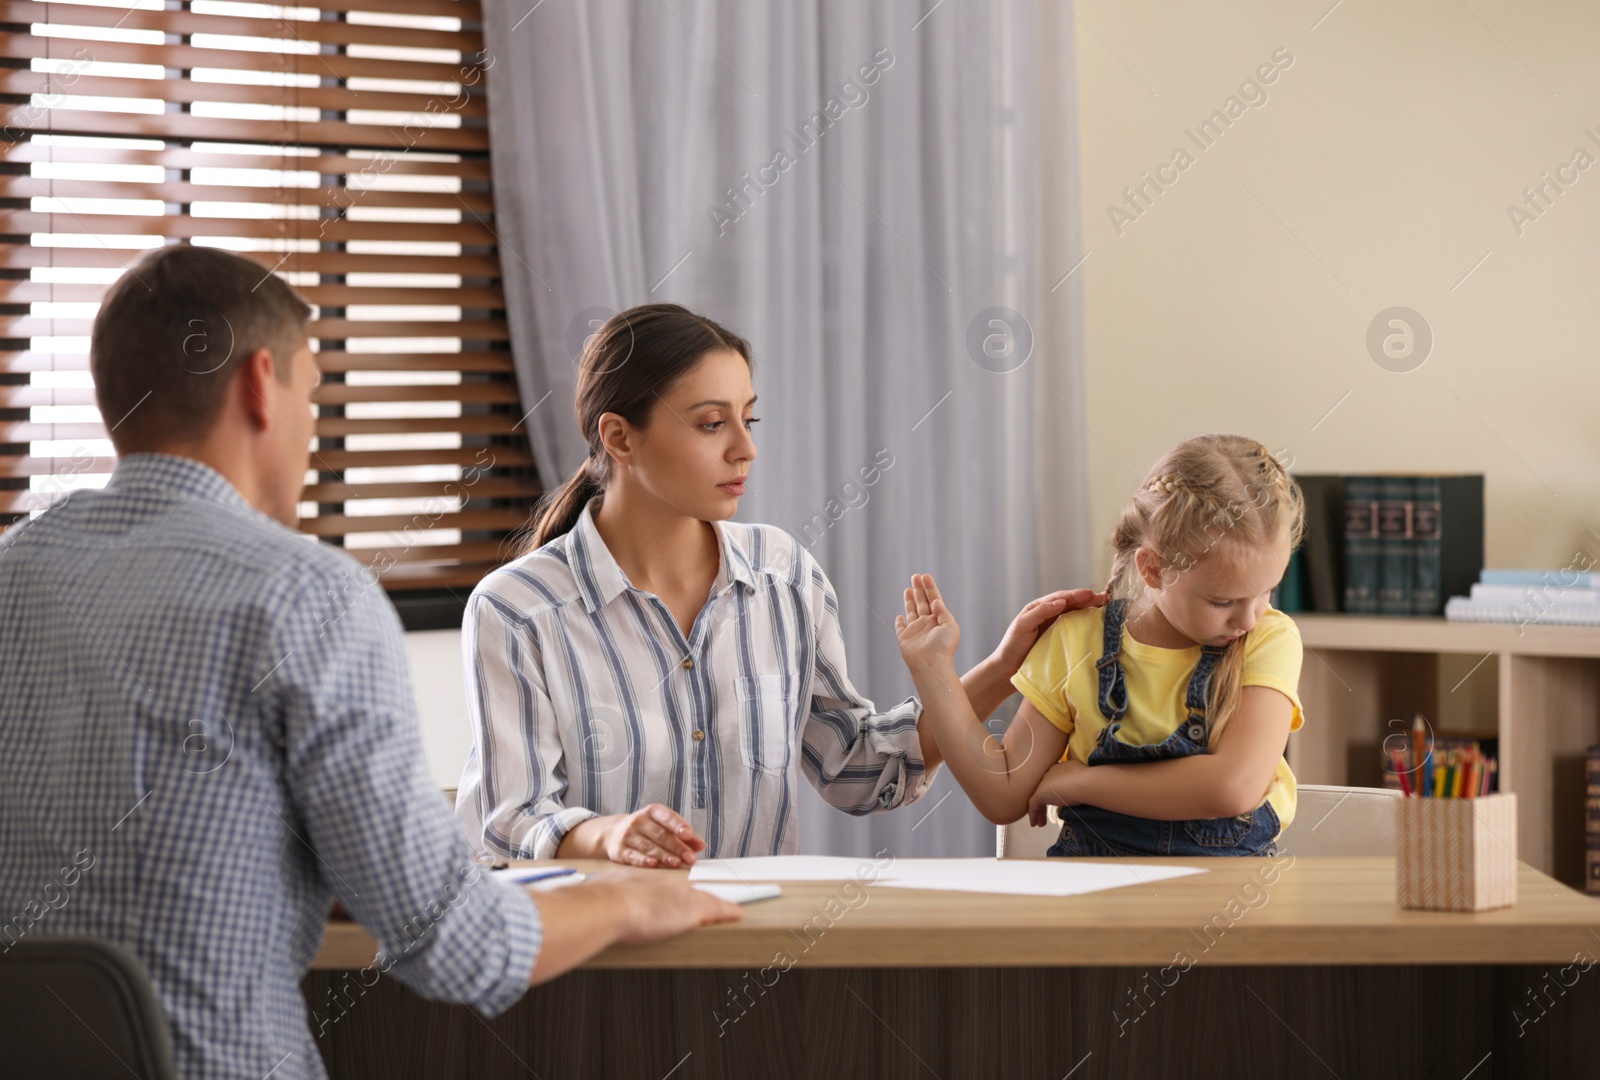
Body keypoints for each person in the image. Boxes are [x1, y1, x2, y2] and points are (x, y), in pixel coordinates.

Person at [0, 247, 740, 1080]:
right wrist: (627, 898)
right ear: (258, 384)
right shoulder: (304, 593)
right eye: (311, 397)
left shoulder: (15, 570)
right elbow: (451, 947)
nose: (312, 433)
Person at [454, 303, 1106, 865]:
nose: (745, 449)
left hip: (752, 954)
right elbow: (513, 819)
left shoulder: (785, 575)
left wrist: (1002, 664)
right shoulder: (518, 610)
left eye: (749, 419)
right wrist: (608, 837)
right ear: (620, 438)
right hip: (597, 960)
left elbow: (857, 766)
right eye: (712, 424)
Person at [893, 433, 1306, 857]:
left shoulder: (1267, 639)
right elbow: (1002, 793)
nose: (1248, 617)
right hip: (1092, 892)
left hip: (1224, 898)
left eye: (1265, 592)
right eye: (1222, 601)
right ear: (1152, 569)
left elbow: (1232, 787)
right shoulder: (1076, 640)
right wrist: (934, 669)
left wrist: (1080, 782)